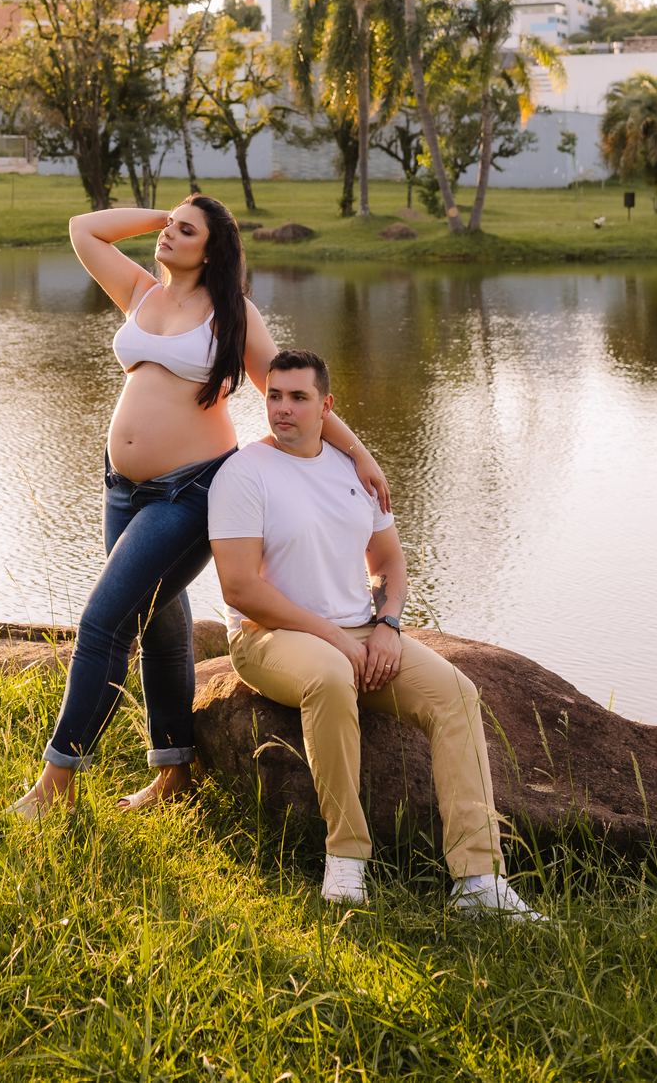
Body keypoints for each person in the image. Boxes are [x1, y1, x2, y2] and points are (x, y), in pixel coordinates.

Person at [12, 199, 391, 816]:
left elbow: (288, 389)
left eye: (185, 232)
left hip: (191, 491)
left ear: (211, 250)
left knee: (105, 621)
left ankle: (57, 783)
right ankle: (174, 774)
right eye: (167, 227)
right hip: (122, 489)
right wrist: (171, 211)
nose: (167, 234)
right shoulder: (139, 291)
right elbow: (83, 228)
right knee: (162, 625)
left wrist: (357, 451)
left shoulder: (232, 314)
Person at [208, 348, 544, 920]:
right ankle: (346, 861)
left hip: (363, 629)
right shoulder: (243, 473)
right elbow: (239, 589)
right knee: (332, 677)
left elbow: (387, 559)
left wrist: (387, 626)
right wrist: (335, 639)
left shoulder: (352, 471)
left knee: (458, 696)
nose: (283, 409)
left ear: (326, 405)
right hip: (270, 636)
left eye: (298, 397)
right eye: (274, 396)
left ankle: (478, 881)